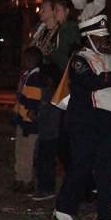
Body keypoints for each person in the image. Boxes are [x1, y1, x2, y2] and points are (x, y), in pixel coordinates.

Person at [53, 14, 111, 220]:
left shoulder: (110, 58)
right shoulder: (79, 59)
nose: (103, 41)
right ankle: (63, 208)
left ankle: (106, 217)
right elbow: (92, 82)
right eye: (99, 37)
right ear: (88, 37)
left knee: (106, 169)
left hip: (109, 119)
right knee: (80, 166)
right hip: (85, 119)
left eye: (104, 37)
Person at [12, 47, 43, 194]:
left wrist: (21, 99)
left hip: (29, 122)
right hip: (23, 118)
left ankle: (26, 180)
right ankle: (20, 177)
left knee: (26, 151)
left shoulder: (35, 77)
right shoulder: (28, 74)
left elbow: (34, 101)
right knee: (20, 150)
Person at [30, 63, 63, 201]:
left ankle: (47, 189)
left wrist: (38, 114)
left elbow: (52, 115)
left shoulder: (55, 94)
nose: (42, 81)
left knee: (47, 163)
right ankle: (42, 188)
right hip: (44, 133)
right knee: (40, 161)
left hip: (51, 134)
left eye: (44, 78)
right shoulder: (47, 91)